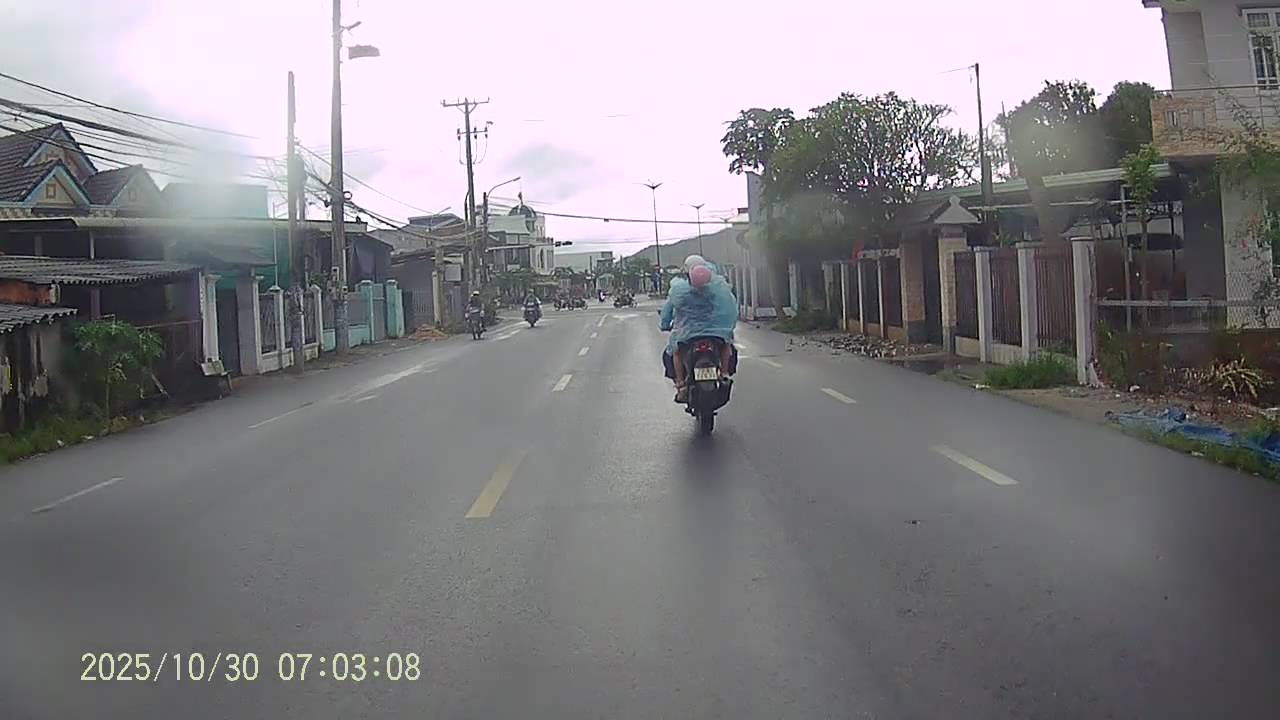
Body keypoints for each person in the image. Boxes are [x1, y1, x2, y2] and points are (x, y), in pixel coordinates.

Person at [660, 257, 737, 402]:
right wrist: (727, 327)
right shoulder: (718, 290)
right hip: (715, 333)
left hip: (687, 335)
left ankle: (681, 384)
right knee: (726, 345)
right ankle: (724, 373)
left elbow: (667, 311)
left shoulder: (679, 291)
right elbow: (731, 309)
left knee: (676, 352)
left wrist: (664, 324)